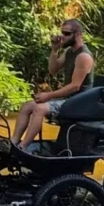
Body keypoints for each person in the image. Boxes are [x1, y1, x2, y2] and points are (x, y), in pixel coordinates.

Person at [12, 19, 95, 151]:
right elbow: (53, 70)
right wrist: (54, 49)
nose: (62, 36)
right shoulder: (69, 52)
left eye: (66, 33)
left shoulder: (83, 56)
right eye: (62, 32)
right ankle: (14, 142)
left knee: (40, 109)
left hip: (78, 102)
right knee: (27, 106)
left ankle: (23, 147)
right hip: (68, 99)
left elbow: (75, 86)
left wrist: (48, 95)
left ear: (78, 34)